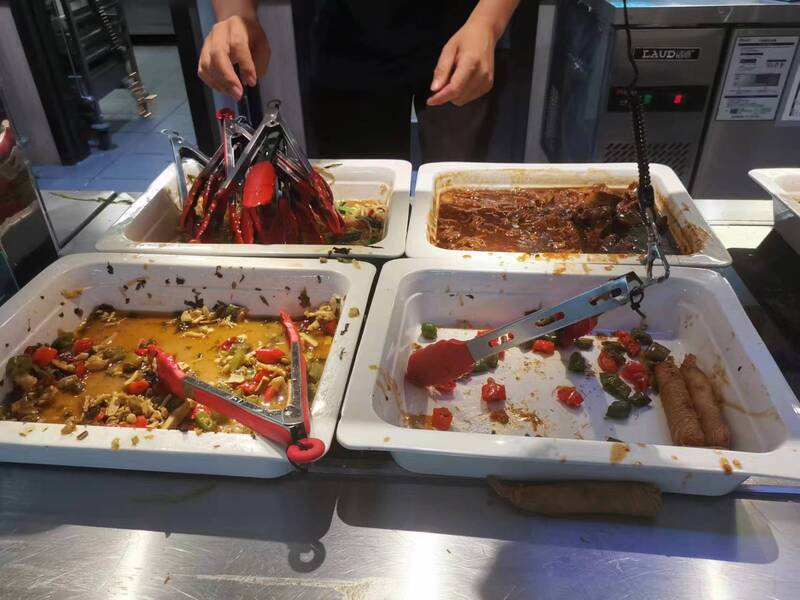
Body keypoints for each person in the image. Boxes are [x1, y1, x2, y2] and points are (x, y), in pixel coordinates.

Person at [198, 0, 520, 161]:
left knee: (458, 189)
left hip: (461, 31)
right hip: (347, 41)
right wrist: (235, 14)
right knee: (351, 211)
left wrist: (488, 21)